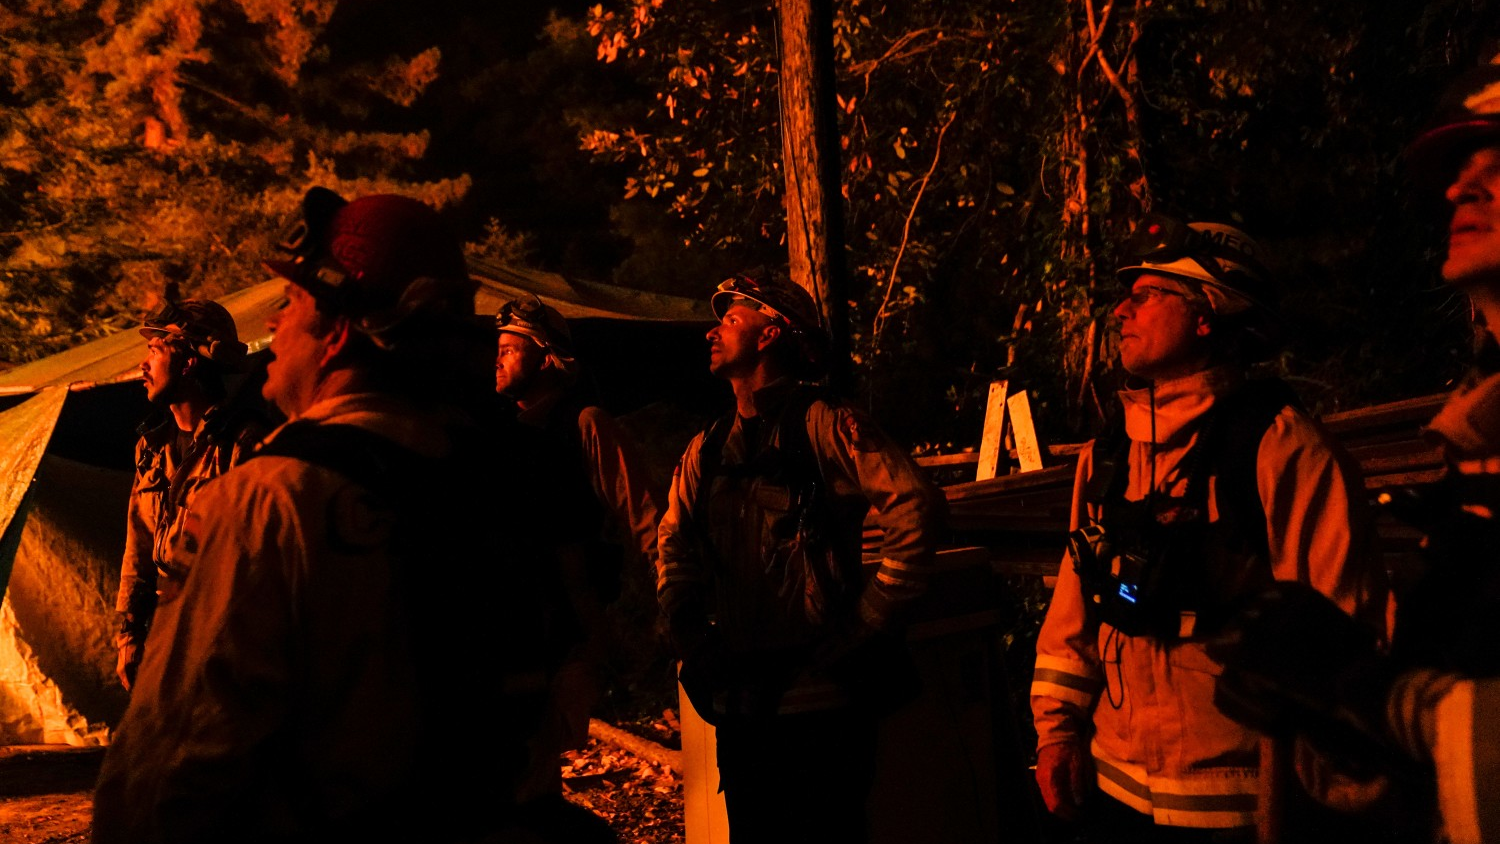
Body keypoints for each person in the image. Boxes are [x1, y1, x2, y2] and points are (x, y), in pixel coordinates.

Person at [91, 187, 595, 843]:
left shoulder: (268, 501)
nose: (273, 325)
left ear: (336, 332)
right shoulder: (512, 482)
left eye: (293, 302)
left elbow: (163, 776)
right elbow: (567, 687)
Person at [1208, 52, 1500, 844]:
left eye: (1499, 165)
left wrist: (1359, 689)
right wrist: (1340, 708)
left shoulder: (1283, 444)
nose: (1458, 189)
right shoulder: (1477, 432)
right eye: (1458, 168)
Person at [1028, 215, 1386, 842]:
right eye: (1125, 295)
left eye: (1146, 294)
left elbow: (1340, 631)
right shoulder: (1109, 454)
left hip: (1236, 801)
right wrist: (1058, 733)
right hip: (1115, 786)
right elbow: (1073, 612)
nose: (1121, 311)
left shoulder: (1281, 450)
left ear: (1207, 315)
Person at [655, 271, 945, 844]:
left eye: (732, 320)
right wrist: (689, 632)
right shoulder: (707, 447)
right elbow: (672, 542)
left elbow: (916, 509)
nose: (712, 332)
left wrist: (871, 619)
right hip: (742, 709)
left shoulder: (828, 424)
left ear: (770, 335)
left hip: (822, 709)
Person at [493, 295, 665, 801]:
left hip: (571, 626)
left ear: (547, 357)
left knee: (540, 772)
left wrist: (677, 600)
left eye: (509, 348)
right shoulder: (496, 434)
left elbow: (647, 520)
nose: (496, 358)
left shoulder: (585, 424)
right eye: (496, 348)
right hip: (510, 629)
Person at [113, 284, 267, 690]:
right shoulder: (150, 449)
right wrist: (129, 636)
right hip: (169, 629)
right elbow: (139, 549)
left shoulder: (243, 445)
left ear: (186, 362)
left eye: (156, 350)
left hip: (227, 643)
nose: (144, 365)